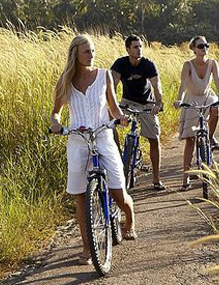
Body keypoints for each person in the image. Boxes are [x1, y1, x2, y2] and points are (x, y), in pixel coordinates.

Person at [50, 35, 137, 266]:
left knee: (118, 194)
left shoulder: (104, 75)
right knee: (80, 195)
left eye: (93, 51)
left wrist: (121, 119)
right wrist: (56, 123)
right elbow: (56, 112)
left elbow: (114, 108)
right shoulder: (65, 80)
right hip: (78, 140)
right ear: (75, 55)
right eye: (87, 51)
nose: (92, 55)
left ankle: (129, 218)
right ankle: (87, 247)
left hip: (103, 136)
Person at [111, 35, 166, 190]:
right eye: (135, 47)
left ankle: (156, 179)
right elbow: (112, 85)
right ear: (128, 49)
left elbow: (157, 85)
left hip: (147, 104)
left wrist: (158, 103)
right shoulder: (120, 63)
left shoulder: (148, 64)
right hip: (127, 103)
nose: (139, 49)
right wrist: (111, 105)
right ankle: (119, 152)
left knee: (154, 138)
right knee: (107, 121)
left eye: (140, 46)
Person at [173, 36, 219, 191]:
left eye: (206, 45)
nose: (204, 49)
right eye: (201, 46)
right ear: (194, 49)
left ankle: (209, 138)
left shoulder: (212, 63)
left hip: (207, 95)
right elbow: (183, 84)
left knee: (216, 108)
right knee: (190, 140)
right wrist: (179, 99)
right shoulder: (188, 65)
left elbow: (218, 81)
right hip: (192, 98)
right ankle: (186, 176)